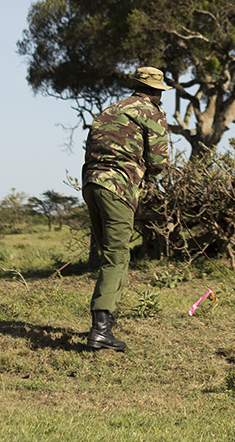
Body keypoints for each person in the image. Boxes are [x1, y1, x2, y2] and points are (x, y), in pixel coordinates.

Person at [81, 66, 171, 351]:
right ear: (156, 91)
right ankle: (100, 330)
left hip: (91, 185)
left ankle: (108, 318)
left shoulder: (109, 109)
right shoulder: (151, 112)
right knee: (117, 256)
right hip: (118, 188)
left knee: (109, 253)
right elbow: (158, 162)